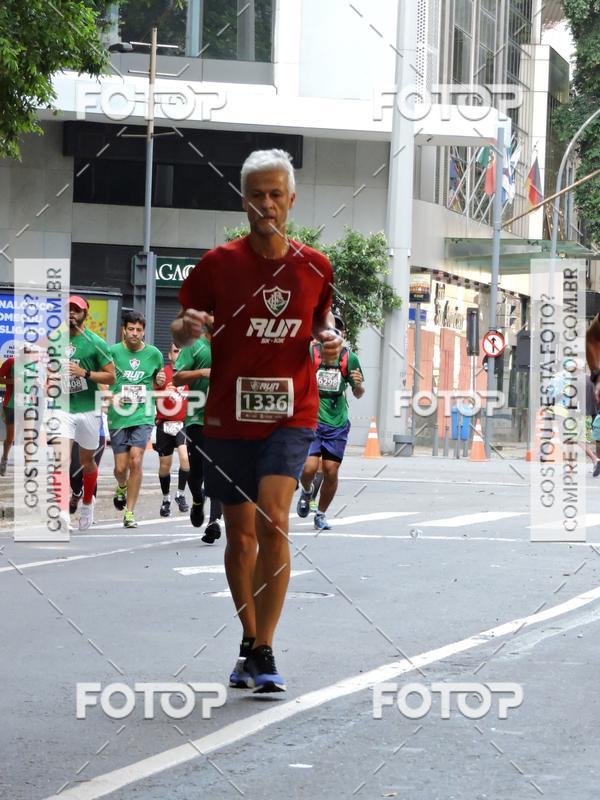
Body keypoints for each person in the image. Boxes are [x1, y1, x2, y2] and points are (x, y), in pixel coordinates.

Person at [172, 148, 341, 693]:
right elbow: (181, 326)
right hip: (227, 416)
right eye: (256, 195)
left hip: (292, 411)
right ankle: (247, 638)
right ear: (243, 201)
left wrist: (329, 337)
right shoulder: (218, 264)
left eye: (275, 195)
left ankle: (265, 647)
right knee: (241, 537)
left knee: (274, 519)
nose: (266, 204)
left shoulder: (315, 265)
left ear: (291, 200)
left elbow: (323, 319)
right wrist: (186, 329)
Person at [53, 296, 115, 530]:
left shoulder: (96, 343)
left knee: (87, 462)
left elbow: (111, 377)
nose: (71, 313)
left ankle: (88, 503)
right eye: (68, 309)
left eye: (76, 310)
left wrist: (84, 373)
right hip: (62, 408)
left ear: (84, 314)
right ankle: (62, 512)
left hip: (89, 409)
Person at [297, 317, 365, 529]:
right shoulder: (312, 353)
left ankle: (321, 514)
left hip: (337, 421)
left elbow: (358, 392)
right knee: (308, 468)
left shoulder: (349, 359)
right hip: (312, 418)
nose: (334, 333)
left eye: (338, 330)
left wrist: (358, 385)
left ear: (343, 335)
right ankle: (307, 491)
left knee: (330, 470)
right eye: (330, 329)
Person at [108, 311, 165, 529]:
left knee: (136, 460)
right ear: (124, 330)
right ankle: (121, 485)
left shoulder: (154, 354)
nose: (134, 333)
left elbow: (158, 381)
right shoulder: (112, 352)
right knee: (120, 467)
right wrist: (110, 396)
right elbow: (103, 378)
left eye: (139, 330)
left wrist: (160, 380)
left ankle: (130, 512)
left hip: (143, 413)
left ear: (144, 332)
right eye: (131, 329)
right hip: (118, 415)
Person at [172, 322, 223, 543]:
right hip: (197, 417)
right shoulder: (194, 346)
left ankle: (214, 521)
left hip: (224, 419)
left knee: (218, 468)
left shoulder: (232, 344)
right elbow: (177, 377)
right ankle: (197, 499)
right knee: (197, 471)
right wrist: (202, 372)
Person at [154, 343, 190, 518]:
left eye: (182, 352)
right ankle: (166, 498)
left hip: (182, 424)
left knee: (185, 458)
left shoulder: (189, 373)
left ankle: (180, 494)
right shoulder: (162, 374)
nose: (179, 354)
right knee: (164, 466)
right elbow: (151, 395)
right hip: (164, 423)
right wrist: (162, 391)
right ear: (169, 355)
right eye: (176, 351)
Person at [0, 354, 15, 475]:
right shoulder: (10, 361)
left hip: (28, 405)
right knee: (10, 438)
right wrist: (12, 381)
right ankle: (4, 459)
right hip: (11, 405)